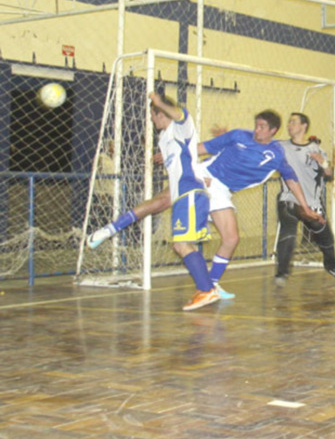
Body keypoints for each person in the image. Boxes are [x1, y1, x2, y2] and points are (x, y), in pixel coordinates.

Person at [88, 109, 323, 303]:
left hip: (221, 190)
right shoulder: (239, 135)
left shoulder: (277, 155)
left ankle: (211, 286)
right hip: (204, 175)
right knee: (160, 202)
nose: (257, 129)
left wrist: (306, 207)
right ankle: (108, 230)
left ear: (273, 131)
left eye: (262, 127)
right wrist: (174, 152)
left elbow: (292, 180)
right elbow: (203, 147)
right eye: (256, 124)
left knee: (231, 239)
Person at [89, 92, 220, 310]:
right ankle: (206, 288)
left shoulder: (181, 127)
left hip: (189, 194)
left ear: (162, 113)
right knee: (184, 245)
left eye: (153, 114)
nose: (151, 119)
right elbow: (187, 159)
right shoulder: (164, 138)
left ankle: (207, 290)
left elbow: (181, 115)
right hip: (184, 194)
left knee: (181, 245)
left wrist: (159, 102)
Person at [274, 112, 335, 286]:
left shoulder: (316, 150)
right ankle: (281, 272)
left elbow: (329, 174)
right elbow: (258, 145)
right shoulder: (280, 146)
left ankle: (331, 265)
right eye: (289, 122)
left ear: (303, 126)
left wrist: (324, 164)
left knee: (325, 237)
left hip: (312, 204)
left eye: (294, 122)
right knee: (287, 232)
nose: (290, 125)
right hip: (289, 198)